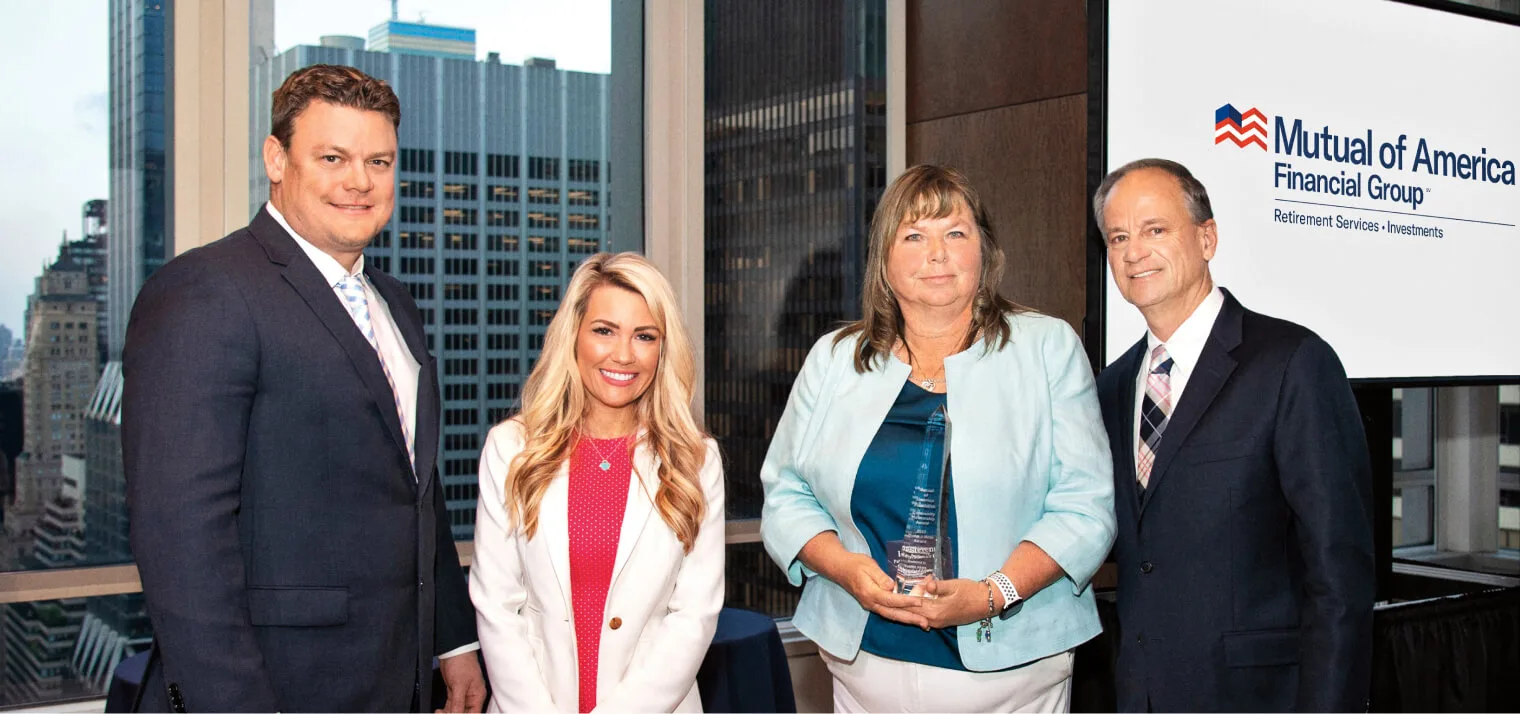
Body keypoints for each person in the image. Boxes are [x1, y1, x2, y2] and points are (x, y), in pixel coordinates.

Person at [122, 64, 484, 712]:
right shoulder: (205, 291)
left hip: (393, 678)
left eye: (379, 161)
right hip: (274, 689)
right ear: (276, 158)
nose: (360, 181)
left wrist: (453, 644)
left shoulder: (396, 304)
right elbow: (182, 544)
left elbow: (416, 496)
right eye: (333, 157)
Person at [760, 165, 1116, 712]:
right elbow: (786, 494)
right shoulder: (834, 358)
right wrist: (846, 569)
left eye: (956, 233)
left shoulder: (1048, 348)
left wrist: (991, 594)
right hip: (864, 669)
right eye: (914, 236)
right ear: (883, 259)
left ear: (985, 251)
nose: (937, 253)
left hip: (1012, 677)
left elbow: (1085, 507)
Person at [1092, 158, 1375, 712]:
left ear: (1207, 238)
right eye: (1117, 236)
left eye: (1155, 230)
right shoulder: (1113, 386)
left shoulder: (1293, 362)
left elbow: (1338, 574)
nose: (1132, 252)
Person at [471, 252, 724, 713]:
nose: (623, 354)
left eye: (644, 336)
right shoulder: (511, 448)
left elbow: (694, 616)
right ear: (575, 336)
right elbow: (497, 607)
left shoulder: (696, 460)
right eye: (604, 330)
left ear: (662, 350)